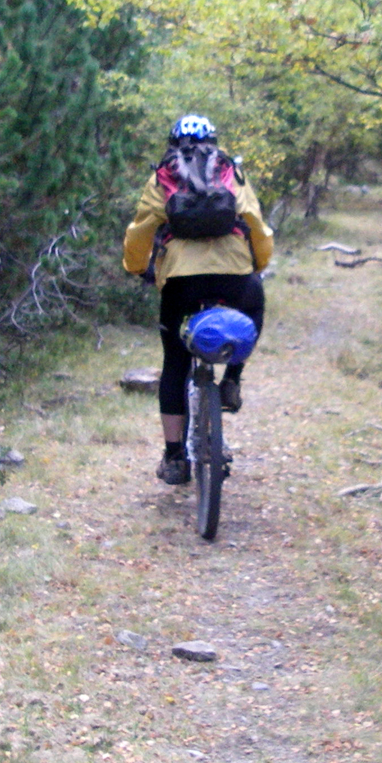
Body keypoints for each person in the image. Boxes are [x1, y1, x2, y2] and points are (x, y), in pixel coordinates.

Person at [123, 114, 274, 485]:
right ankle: (233, 379)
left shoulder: (163, 175)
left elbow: (141, 229)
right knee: (254, 303)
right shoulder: (230, 172)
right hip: (234, 274)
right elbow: (255, 221)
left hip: (180, 280)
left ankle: (175, 457)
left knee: (175, 361)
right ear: (214, 141)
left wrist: (135, 267)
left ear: (172, 144)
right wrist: (258, 262)